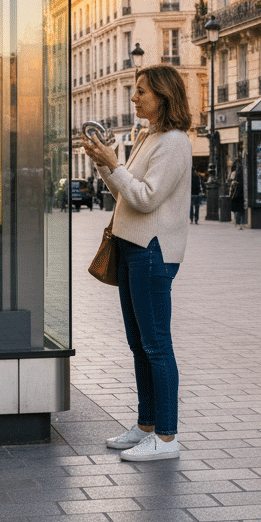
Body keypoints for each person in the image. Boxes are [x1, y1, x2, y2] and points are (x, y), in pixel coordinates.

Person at [80, 64, 193, 462]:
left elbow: (145, 198)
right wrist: (104, 163)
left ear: (162, 96)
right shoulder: (148, 136)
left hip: (153, 251)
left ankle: (166, 438)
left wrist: (117, 164)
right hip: (131, 246)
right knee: (138, 343)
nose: (134, 97)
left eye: (141, 91)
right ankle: (146, 425)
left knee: (156, 344)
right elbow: (124, 194)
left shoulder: (175, 142)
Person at [228, 159, 246, 229]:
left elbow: (231, 185)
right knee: (241, 209)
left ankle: (237, 222)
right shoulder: (244, 173)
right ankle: (242, 223)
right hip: (242, 193)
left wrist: (230, 194)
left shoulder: (233, 174)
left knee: (236, 209)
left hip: (236, 194)